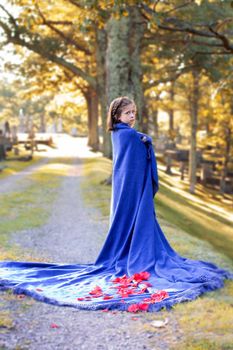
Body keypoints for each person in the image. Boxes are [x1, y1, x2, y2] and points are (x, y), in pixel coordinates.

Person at [0, 96, 232, 313]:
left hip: (125, 189)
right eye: (128, 113)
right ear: (116, 116)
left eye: (134, 113)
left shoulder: (121, 135)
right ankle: (133, 252)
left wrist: (145, 141)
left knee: (131, 225)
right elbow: (136, 155)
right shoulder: (128, 136)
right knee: (136, 229)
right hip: (129, 189)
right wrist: (146, 141)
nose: (132, 117)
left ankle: (131, 247)